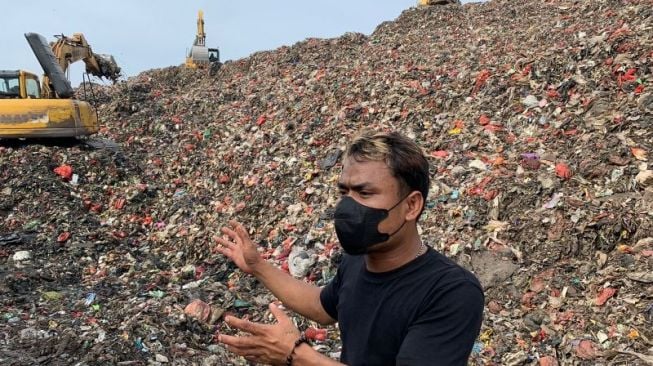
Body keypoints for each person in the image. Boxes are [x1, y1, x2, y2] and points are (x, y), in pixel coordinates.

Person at [214, 131, 484, 365]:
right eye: (345, 192)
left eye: (365, 193)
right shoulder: (358, 261)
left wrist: (297, 356)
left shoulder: (451, 292)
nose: (347, 207)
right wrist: (258, 266)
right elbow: (322, 307)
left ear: (411, 205)